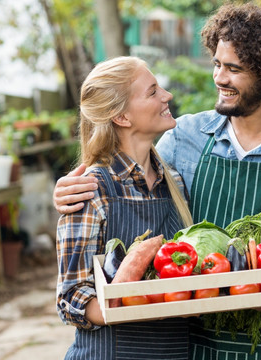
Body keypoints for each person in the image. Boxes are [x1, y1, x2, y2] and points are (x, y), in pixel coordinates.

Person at [54, 3, 261, 359]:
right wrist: (73, 191)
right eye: (217, 64)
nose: (219, 78)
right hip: (195, 342)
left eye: (233, 69)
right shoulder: (185, 137)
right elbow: (132, 177)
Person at [55, 56, 193, 359]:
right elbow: (71, 297)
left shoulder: (175, 183)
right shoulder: (93, 189)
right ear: (122, 117)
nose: (167, 96)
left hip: (173, 351)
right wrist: (134, 304)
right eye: (153, 91)